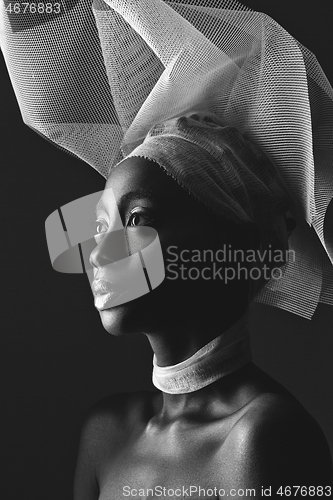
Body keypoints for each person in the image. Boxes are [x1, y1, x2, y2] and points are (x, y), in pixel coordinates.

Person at [72, 114, 333, 499]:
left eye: (136, 219)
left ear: (238, 246)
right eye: (99, 228)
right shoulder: (105, 433)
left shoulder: (267, 437)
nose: (98, 254)